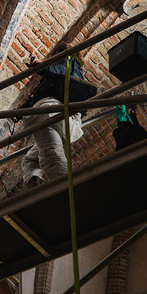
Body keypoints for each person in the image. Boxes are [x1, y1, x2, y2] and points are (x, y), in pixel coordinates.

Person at [19, 43, 95, 189]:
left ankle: (66, 191)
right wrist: (21, 110)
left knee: (51, 154)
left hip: (50, 112)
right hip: (65, 119)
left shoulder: (66, 60)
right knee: (30, 159)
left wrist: (40, 65)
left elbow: (58, 70)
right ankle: (34, 183)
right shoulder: (77, 72)